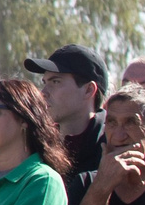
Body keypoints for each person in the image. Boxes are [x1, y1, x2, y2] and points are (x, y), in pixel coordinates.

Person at [30, 46, 119, 175]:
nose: (43, 92)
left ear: (88, 90)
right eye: (44, 82)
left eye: (55, 82)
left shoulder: (114, 145)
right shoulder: (36, 145)